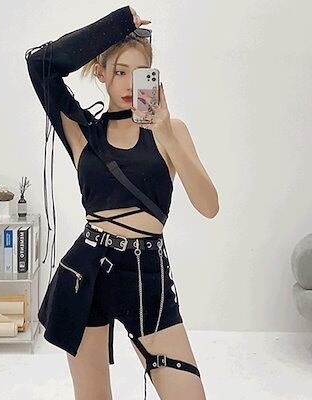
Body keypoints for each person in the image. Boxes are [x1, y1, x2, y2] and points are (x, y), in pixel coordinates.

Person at [25, 5, 217, 400]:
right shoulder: (83, 132)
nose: (130, 83)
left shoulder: (171, 129)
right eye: (119, 72)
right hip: (86, 272)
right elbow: (40, 63)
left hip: (147, 275)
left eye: (140, 72)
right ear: (100, 73)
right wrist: (119, 23)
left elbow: (209, 206)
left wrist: (165, 133)